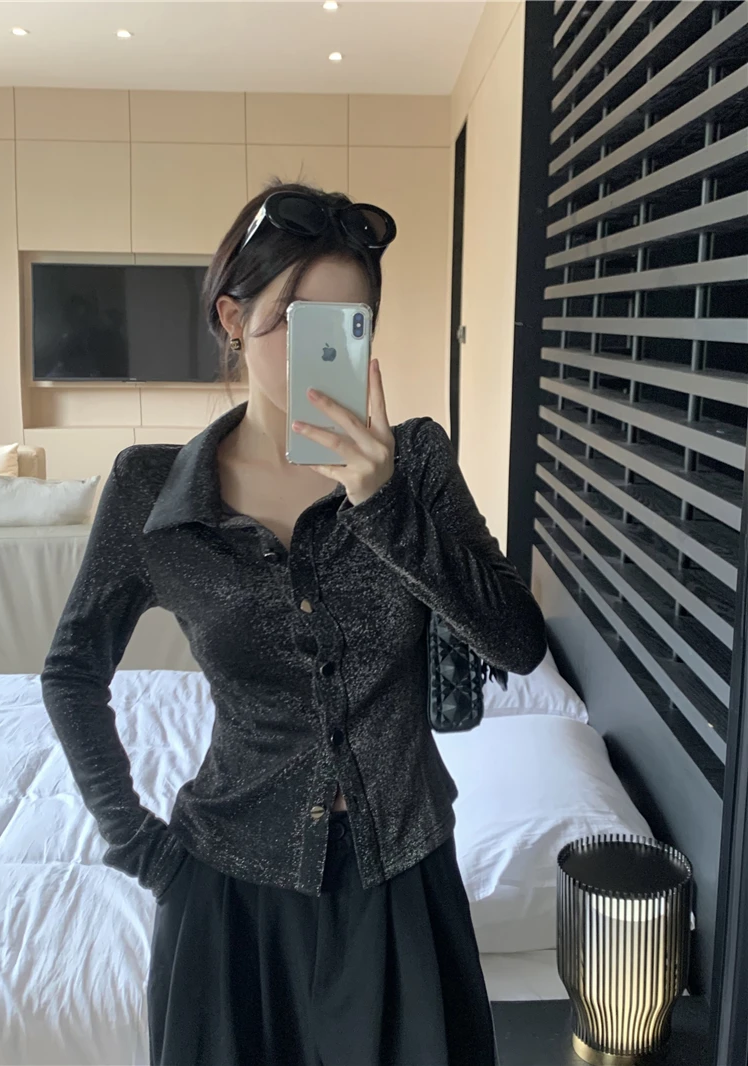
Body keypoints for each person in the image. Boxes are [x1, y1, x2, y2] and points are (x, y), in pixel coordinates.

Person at [40, 180, 547, 1066]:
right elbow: (72, 672)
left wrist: (384, 505)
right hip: (228, 899)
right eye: (295, 322)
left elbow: (518, 641)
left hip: (405, 882)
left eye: (348, 325)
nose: (325, 350)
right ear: (233, 319)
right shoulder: (152, 491)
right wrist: (139, 846)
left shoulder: (417, 462)